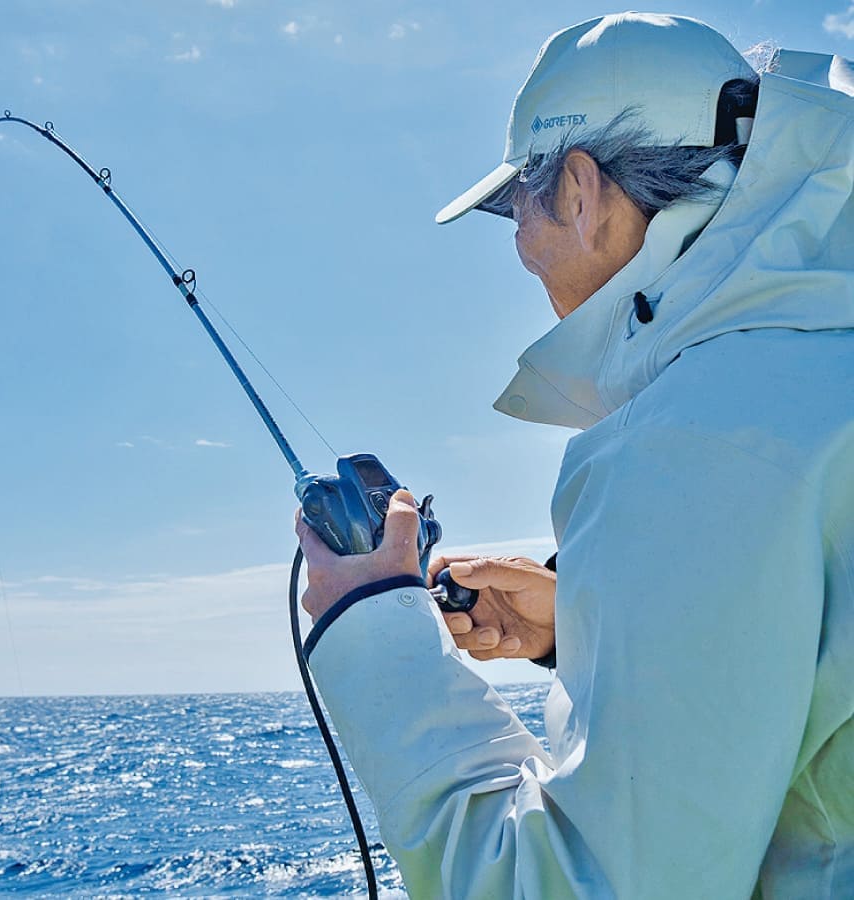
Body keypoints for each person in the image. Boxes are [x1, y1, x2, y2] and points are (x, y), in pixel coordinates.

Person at [297, 12, 854, 899]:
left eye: (516, 203)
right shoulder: (816, 366)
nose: (518, 243)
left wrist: (372, 630)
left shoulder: (692, 443)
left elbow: (588, 885)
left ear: (585, 190)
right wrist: (585, 622)